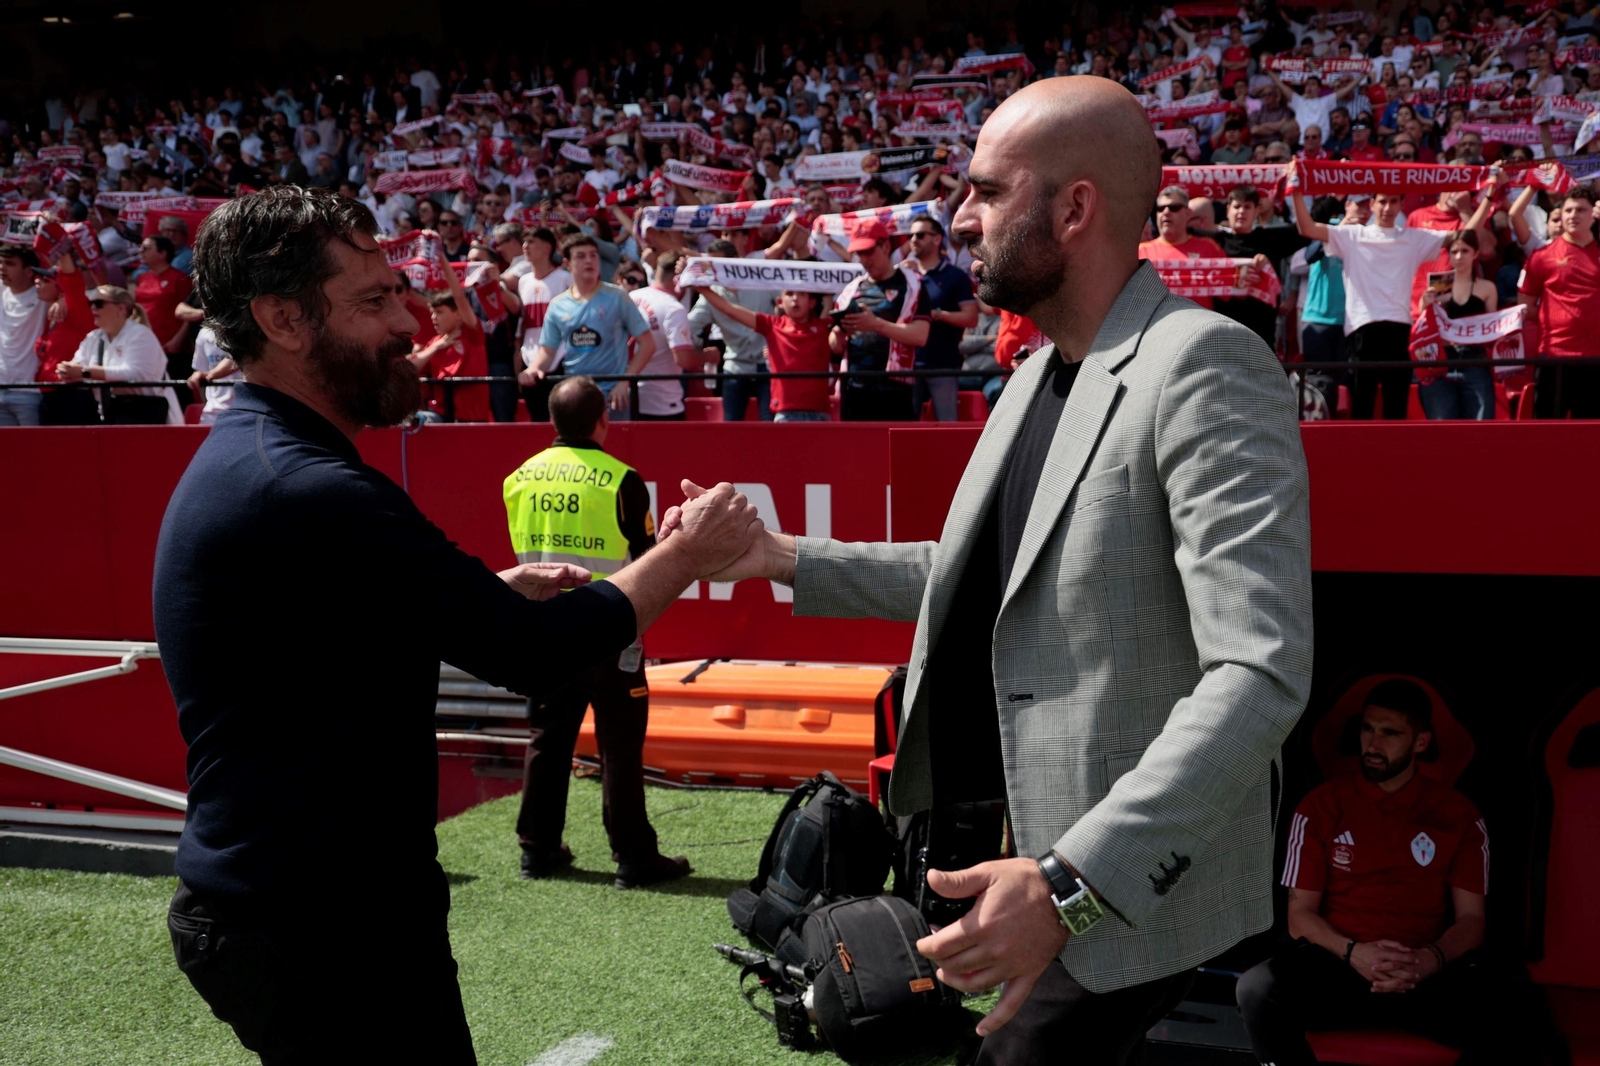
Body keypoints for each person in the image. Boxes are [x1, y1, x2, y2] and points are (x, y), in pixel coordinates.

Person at [662, 77, 1311, 1066]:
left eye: (985, 191)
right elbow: (986, 583)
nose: (961, 218)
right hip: (993, 856)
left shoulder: (1203, 366)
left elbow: (1258, 673)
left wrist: (1071, 884)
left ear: (1075, 207)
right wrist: (777, 558)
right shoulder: (1028, 381)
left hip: (1105, 892)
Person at [155, 187, 762, 1063]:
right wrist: (685, 553)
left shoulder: (271, 458)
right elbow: (531, 654)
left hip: (303, 906)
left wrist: (487, 588)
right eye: (371, 302)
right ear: (282, 319)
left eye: (398, 291)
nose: (408, 321)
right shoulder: (306, 485)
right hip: (317, 923)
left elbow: (329, 635)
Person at [1235, 680, 1535, 1066]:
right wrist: (1354, 953)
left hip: (1422, 973)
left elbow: (1472, 921)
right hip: (1341, 968)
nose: (1373, 744)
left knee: (1518, 1012)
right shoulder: (1320, 807)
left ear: (1421, 742)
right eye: (1367, 729)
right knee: (1257, 989)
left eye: (1390, 733)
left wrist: (1430, 960)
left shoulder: (1458, 815)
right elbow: (1299, 918)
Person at [504, 375, 691, 887]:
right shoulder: (621, 479)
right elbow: (649, 561)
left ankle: (536, 849)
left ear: (551, 422)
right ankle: (633, 857)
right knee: (620, 745)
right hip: (610, 629)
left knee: (547, 737)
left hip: (542, 626)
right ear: (603, 420)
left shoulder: (520, 477)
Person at [1287, 162, 1501, 420]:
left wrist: (1489, 193)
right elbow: (1307, 229)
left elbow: (1464, 234)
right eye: (1382, 202)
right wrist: (1295, 189)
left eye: (1393, 202)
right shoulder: (1352, 235)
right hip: (1361, 329)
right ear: (1372, 204)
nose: (1387, 208)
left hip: (1400, 328)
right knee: (1362, 409)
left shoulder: (1413, 238)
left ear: (1401, 205)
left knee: (1395, 410)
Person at [520, 234, 653, 418]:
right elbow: (548, 350)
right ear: (567, 264)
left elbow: (647, 344)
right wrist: (534, 368)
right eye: (581, 256)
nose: (589, 261)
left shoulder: (618, 297)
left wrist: (624, 382)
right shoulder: (558, 304)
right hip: (574, 395)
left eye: (593, 255)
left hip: (613, 396)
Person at [831, 218, 931, 421]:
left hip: (897, 390)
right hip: (854, 388)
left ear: (886, 246)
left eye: (869, 251)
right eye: (859, 253)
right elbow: (834, 346)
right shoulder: (851, 290)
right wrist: (840, 331)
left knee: (897, 452)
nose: (864, 259)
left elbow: (920, 336)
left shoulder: (913, 285)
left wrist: (876, 324)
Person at [692, 284, 833, 422]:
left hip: (820, 413)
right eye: (789, 294)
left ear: (812, 302)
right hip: (785, 414)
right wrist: (702, 289)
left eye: (801, 294)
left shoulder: (825, 327)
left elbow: (846, 317)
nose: (795, 298)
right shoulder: (772, 325)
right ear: (780, 302)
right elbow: (730, 309)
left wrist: (829, 302)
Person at [1518, 187, 1600, 419]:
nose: (1574, 215)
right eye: (1569, 210)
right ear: (1560, 215)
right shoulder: (1542, 256)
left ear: (1594, 214)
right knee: (1547, 437)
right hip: (1555, 358)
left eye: (1581, 210)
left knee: (1591, 438)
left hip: (1596, 360)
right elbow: (1525, 306)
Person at [55, 285, 181, 424]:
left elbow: (135, 374)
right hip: (111, 416)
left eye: (99, 303)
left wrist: (85, 372)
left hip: (148, 417)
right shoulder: (92, 337)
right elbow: (77, 367)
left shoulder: (140, 334)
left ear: (121, 308)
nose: (93, 308)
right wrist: (67, 371)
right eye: (90, 303)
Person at [685, 237, 776, 421]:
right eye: (711, 265)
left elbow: (785, 311)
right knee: (731, 426)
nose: (714, 270)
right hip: (735, 368)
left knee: (771, 426)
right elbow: (686, 327)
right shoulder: (710, 296)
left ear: (735, 260)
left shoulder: (762, 281)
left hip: (767, 366)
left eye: (719, 264)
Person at [903, 217, 978, 421]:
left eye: (920, 234)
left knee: (948, 425)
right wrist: (898, 277)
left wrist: (939, 315)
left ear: (937, 239)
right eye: (911, 235)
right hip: (907, 364)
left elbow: (971, 318)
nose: (913, 240)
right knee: (904, 428)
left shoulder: (955, 276)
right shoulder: (904, 276)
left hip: (943, 363)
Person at [1419, 231, 1498, 421]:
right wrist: (1425, 304)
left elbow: (1494, 326)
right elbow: (1423, 327)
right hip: (1441, 362)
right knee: (1441, 426)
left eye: (1465, 251)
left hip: (1475, 361)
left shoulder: (1486, 287)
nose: (1459, 257)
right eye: (1454, 252)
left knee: (1481, 425)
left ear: (1475, 254)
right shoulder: (1436, 287)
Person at [409, 245, 491, 423]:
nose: (433, 318)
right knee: (414, 423)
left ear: (458, 314)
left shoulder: (471, 333)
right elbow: (410, 369)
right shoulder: (436, 341)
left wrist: (441, 259)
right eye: (432, 313)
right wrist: (436, 347)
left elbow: (459, 297)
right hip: (440, 415)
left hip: (470, 420)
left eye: (439, 312)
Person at [625, 250, 699, 420]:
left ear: (657, 272)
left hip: (628, 394)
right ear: (680, 280)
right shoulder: (673, 308)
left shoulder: (631, 296)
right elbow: (683, 359)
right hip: (663, 402)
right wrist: (708, 356)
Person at [36, 254, 105, 426]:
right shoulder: (51, 314)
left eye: (45, 281)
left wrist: (62, 252)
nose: (37, 284)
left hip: (73, 395)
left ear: (59, 287)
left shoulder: (78, 310)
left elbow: (72, 282)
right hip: (48, 395)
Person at [514, 226, 572, 420]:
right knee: (536, 417)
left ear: (547, 247)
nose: (525, 246)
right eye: (524, 242)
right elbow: (523, 324)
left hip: (561, 356)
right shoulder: (523, 281)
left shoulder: (565, 278)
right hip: (529, 356)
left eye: (531, 242)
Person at [1138, 186, 1227, 309]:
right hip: (1155, 325)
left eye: (1174, 208)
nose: (1166, 212)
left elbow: (1231, 290)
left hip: (1200, 324)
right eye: (1160, 209)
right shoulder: (1140, 252)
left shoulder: (1209, 247)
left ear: (1188, 213)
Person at [0, 245, 47, 426]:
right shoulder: (2, 290)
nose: (3, 268)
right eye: (1, 263)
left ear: (29, 271)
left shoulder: (43, 295)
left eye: (10, 264)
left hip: (30, 393)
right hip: (1, 388)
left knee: (34, 452)